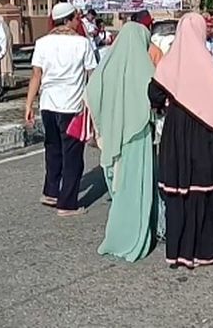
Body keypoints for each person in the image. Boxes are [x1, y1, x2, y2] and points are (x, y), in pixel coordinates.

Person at [148, 12, 213, 269]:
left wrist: (169, 102)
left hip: (177, 134)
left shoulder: (170, 63)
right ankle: (205, 252)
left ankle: (179, 253)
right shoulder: (207, 63)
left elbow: (153, 93)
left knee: (181, 193)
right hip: (206, 137)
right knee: (206, 192)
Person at [86, 22, 159, 262]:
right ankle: (138, 236)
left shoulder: (106, 67)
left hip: (113, 137)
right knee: (136, 186)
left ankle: (118, 235)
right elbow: (153, 101)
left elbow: (91, 94)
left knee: (119, 187)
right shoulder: (146, 69)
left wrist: (106, 125)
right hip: (138, 137)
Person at [25, 2, 97, 217]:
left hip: (48, 104)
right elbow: (91, 75)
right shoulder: (82, 44)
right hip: (71, 105)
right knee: (73, 155)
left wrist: (28, 104)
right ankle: (67, 204)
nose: (78, 21)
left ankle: (51, 191)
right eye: (76, 17)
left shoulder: (42, 43)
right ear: (68, 19)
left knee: (53, 149)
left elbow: (36, 75)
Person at [0, 12, 17, 91]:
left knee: (3, 68)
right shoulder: (6, 28)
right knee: (9, 67)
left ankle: (3, 84)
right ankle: (11, 83)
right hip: (8, 50)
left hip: (2, 50)